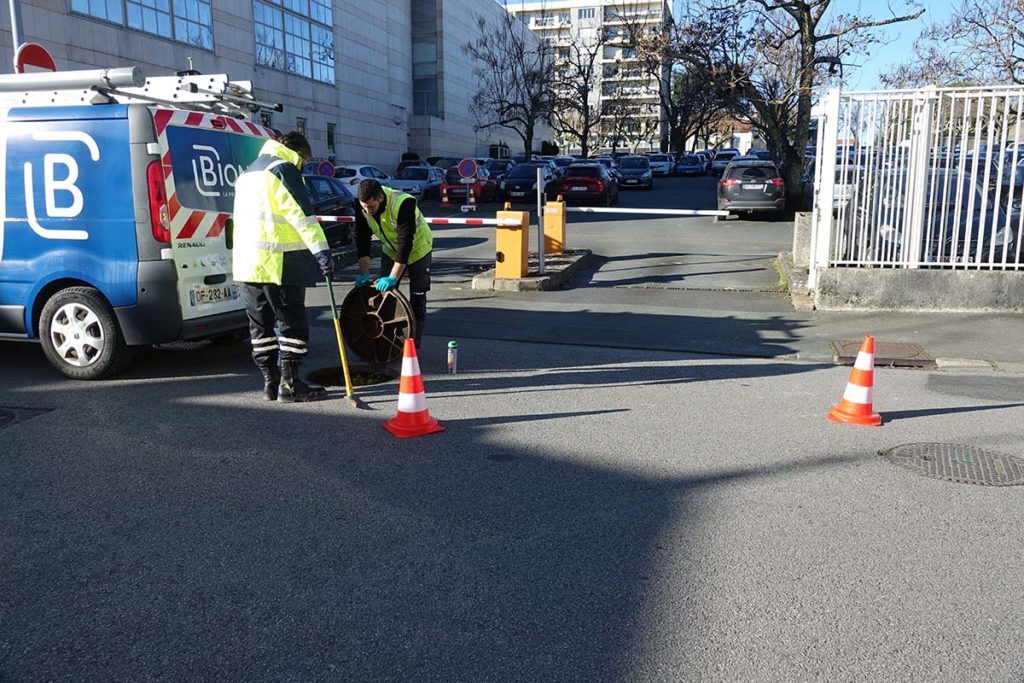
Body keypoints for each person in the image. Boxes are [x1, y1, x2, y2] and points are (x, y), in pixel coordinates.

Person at [232, 131, 334, 402]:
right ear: (299, 154)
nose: (303, 166)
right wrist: (322, 253)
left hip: (247, 264)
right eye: (305, 161)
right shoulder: (283, 169)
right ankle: (290, 386)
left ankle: (270, 383)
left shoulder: (248, 173)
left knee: (260, 328)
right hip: (280, 263)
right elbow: (302, 217)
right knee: (292, 326)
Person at [354, 179, 434, 348]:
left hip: (419, 249)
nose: (367, 211)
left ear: (380, 198)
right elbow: (362, 241)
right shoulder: (361, 206)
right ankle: (387, 341)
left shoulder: (403, 203)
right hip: (391, 250)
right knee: (385, 297)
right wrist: (364, 274)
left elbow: (405, 244)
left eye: (371, 207)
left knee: (417, 299)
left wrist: (392, 277)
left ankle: (413, 345)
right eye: (364, 207)